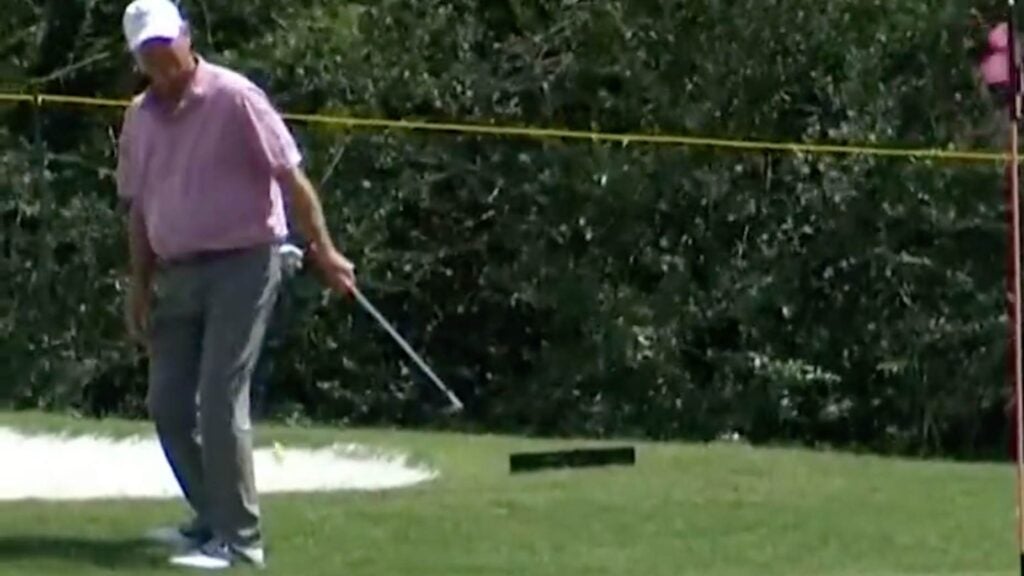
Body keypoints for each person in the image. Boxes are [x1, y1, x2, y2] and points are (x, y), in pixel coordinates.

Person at [115, 0, 356, 569]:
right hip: (178, 268)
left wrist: (324, 249)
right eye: (149, 53)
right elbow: (139, 208)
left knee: (221, 398)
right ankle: (210, 519)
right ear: (137, 57)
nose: (162, 61)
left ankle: (241, 542)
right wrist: (139, 285)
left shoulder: (234, 96)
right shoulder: (139, 117)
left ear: (187, 37)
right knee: (169, 403)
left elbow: (289, 176)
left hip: (245, 261)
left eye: (167, 46)